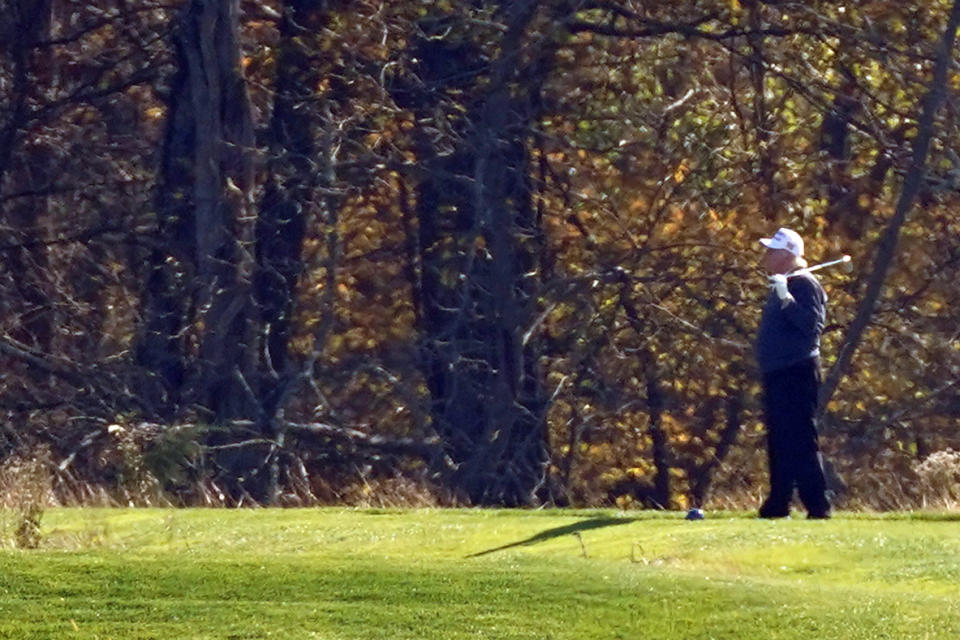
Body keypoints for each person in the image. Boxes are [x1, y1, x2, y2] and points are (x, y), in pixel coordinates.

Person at [755, 228, 831, 519]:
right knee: (779, 439)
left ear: (787, 256)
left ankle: (818, 505)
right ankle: (778, 503)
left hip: (797, 370)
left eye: (772, 251)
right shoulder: (783, 282)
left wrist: (786, 297)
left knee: (800, 438)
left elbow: (810, 327)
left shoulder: (805, 284)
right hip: (778, 371)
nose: (766, 256)